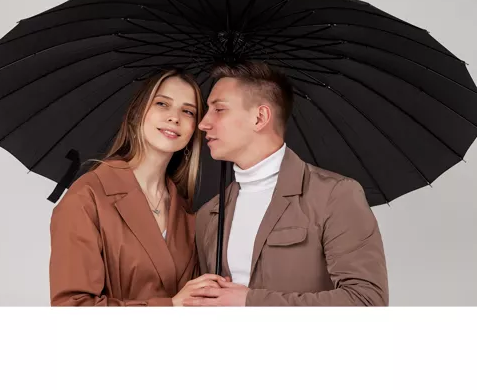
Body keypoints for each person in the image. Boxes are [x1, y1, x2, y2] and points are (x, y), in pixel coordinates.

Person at [189, 61, 389, 307]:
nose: (203, 123)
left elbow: (367, 302)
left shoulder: (334, 196)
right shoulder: (209, 214)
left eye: (219, 109)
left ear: (260, 117)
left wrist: (250, 301)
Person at [49, 69, 225, 306]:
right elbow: (71, 307)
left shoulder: (186, 212)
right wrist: (169, 307)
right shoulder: (88, 196)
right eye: (162, 104)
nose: (174, 117)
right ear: (137, 113)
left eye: (188, 111)